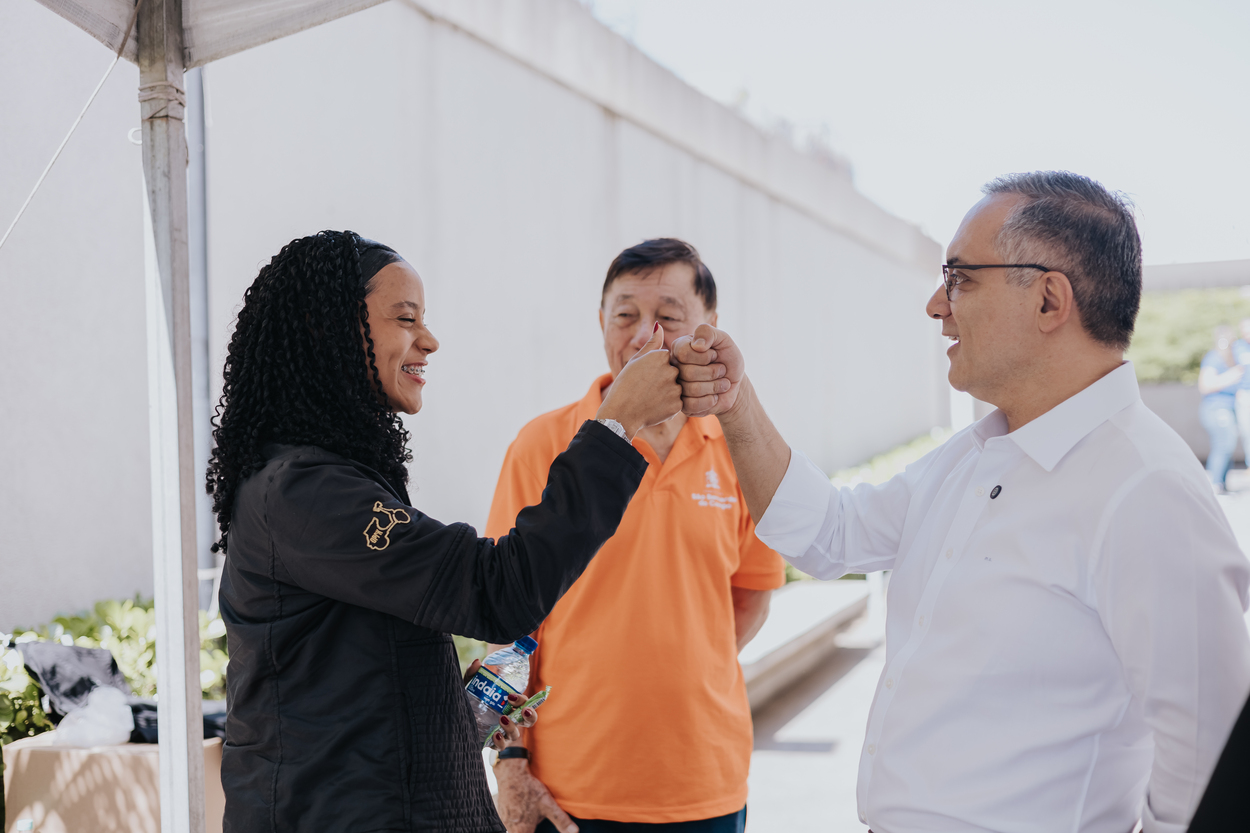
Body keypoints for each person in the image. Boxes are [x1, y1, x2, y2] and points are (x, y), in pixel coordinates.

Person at [671, 172, 1250, 833]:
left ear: (1049, 300)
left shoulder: (1148, 490)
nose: (935, 306)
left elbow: (1208, 762)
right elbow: (830, 532)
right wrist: (735, 401)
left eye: (960, 278)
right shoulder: (973, 454)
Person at [207, 231, 682, 832]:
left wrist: (453, 714)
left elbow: (346, 676)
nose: (428, 341)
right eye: (406, 320)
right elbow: (496, 591)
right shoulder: (304, 492)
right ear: (324, 329)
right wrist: (616, 425)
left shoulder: (326, 478)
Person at [483, 239, 785, 833]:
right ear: (601, 323)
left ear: (710, 326)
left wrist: (681, 665)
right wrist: (511, 762)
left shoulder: (743, 453)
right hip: (569, 788)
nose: (644, 334)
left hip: (706, 783)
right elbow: (505, 621)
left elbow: (751, 594)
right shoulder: (542, 445)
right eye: (624, 315)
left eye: (668, 316)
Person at [1197, 325, 1243, 493]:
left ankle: (1221, 483)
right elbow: (1205, 385)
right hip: (1216, 408)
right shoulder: (1214, 358)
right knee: (1224, 444)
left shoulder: (1233, 358)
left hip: (1229, 408)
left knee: (1228, 445)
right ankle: (1215, 483)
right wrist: (1230, 377)